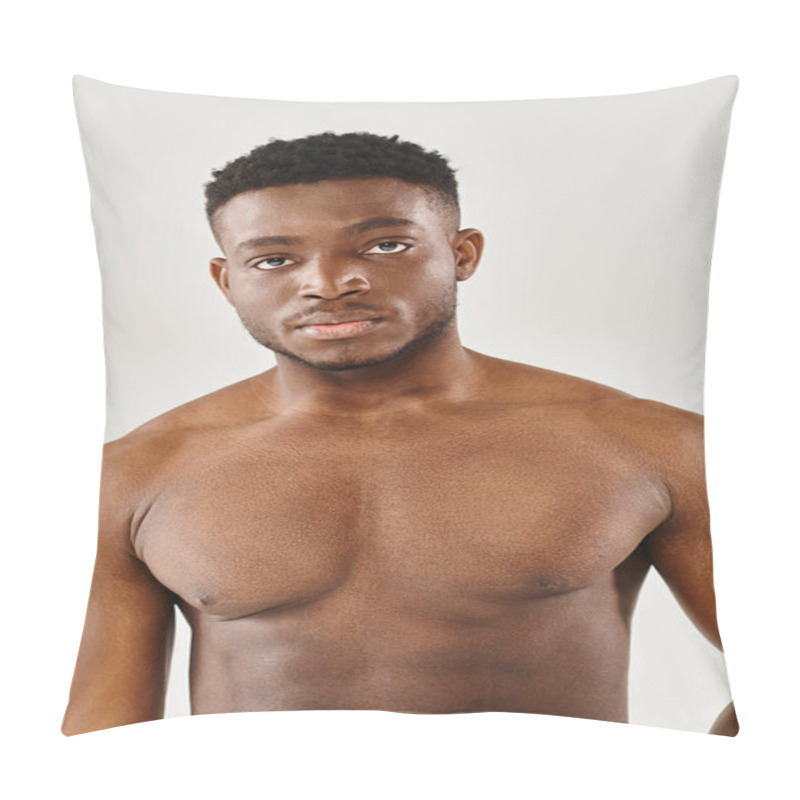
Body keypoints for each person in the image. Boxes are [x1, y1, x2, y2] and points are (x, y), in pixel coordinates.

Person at [62, 132, 738, 736]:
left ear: (462, 252)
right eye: (273, 260)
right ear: (225, 280)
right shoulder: (136, 475)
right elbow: (102, 740)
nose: (328, 284)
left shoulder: (651, 446)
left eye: (385, 245)